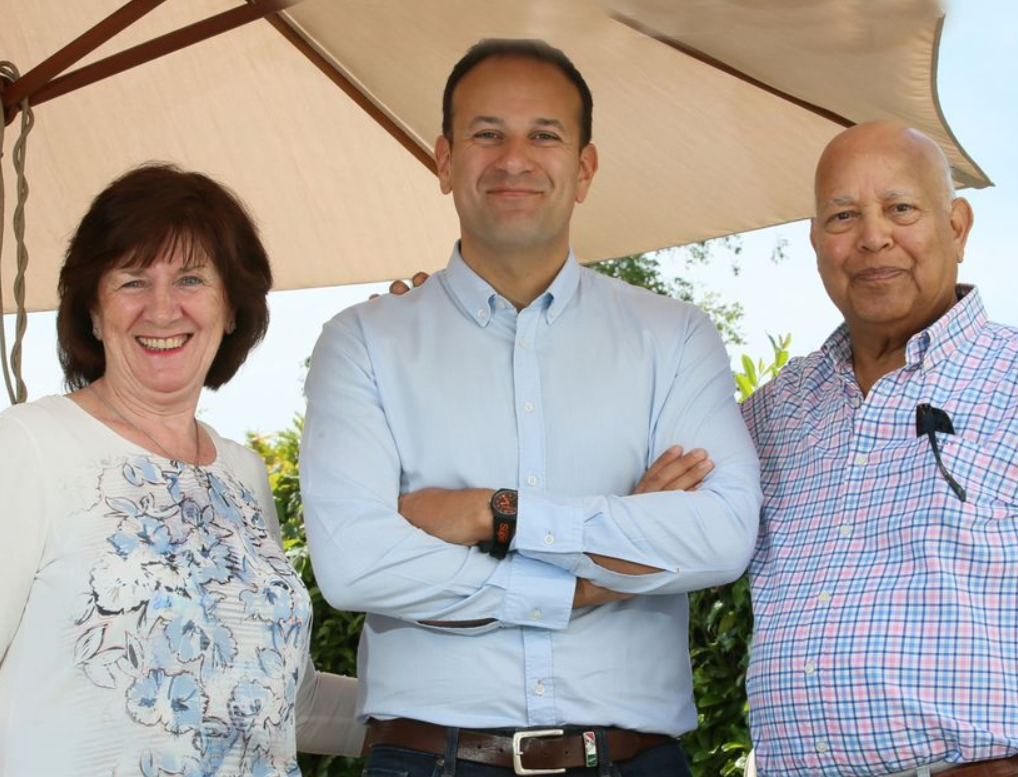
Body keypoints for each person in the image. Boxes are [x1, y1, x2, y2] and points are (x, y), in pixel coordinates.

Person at [300, 38, 762, 777]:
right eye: (487, 134)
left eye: (544, 135)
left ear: (585, 168)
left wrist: (494, 514)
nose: (514, 159)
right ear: (444, 160)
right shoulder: (362, 343)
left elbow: (720, 535)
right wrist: (596, 573)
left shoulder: (675, 338)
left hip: (634, 762)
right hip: (430, 761)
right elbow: (357, 565)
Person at [0, 164, 363, 776]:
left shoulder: (243, 475)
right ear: (93, 311)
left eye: (191, 279)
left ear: (231, 309)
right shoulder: (29, 446)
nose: (163, 309)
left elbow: (286, 703)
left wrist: (456, 722)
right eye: (133, 281)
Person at [743, 121, 1018, 777]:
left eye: (900, 208)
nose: (872, 237)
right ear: (817, 242)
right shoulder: (772, 411)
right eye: (843, 215)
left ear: (957, 227)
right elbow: (664, 529)